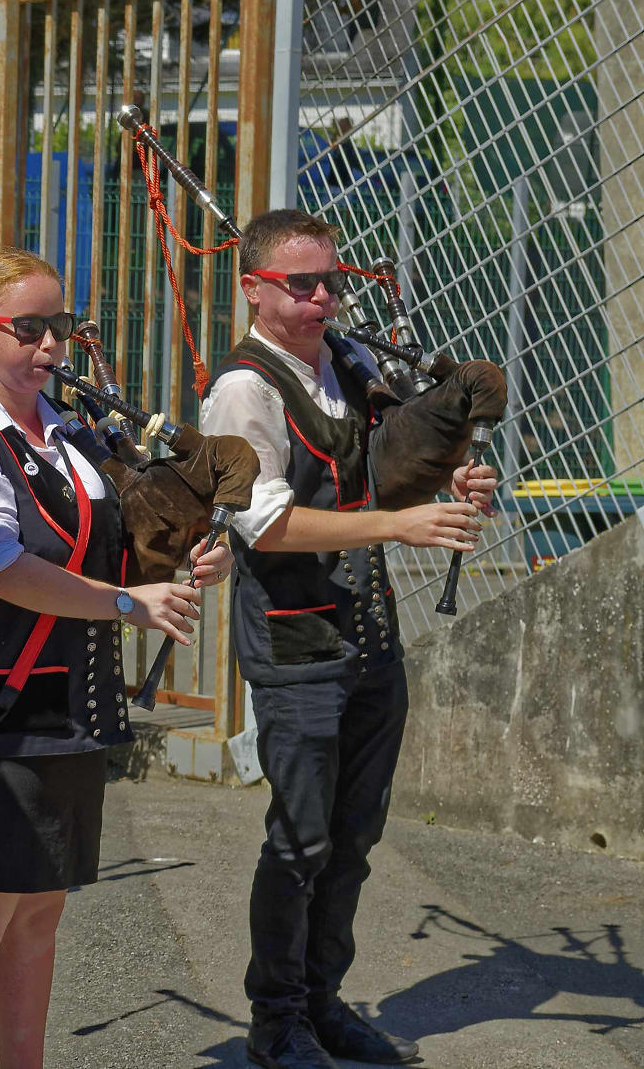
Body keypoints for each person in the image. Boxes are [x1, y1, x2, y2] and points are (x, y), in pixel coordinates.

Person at [0, 248, 231, 1069]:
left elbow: (107, 552)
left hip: (70, 707)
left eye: (62, 326)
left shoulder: (70, 434)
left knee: (40, 915)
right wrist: (128, 603)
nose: (52, 345)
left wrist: (181, 559)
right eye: (29, 328)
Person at [199, 209, 496, 1069]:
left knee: (356, 834)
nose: (324, 297)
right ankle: (276, 1021)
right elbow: (266, 524)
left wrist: (456, 477)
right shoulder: (243, 391)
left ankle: (324, 1003)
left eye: (333, 280)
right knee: (301, 839)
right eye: (303, 284)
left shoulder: (352, 363)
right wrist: (399, 523)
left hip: (368, 630)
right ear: (253, 288)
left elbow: (399, 463)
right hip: (294, 642)